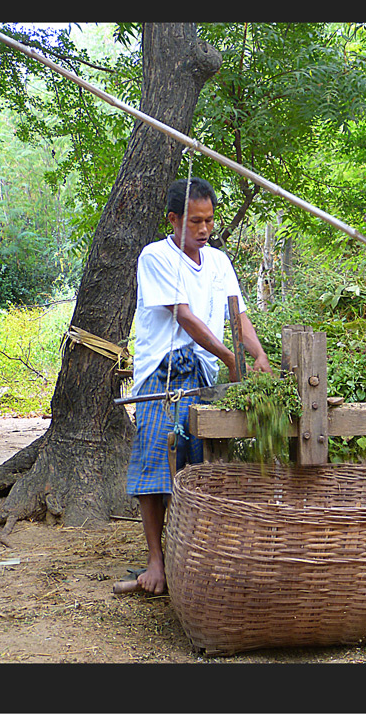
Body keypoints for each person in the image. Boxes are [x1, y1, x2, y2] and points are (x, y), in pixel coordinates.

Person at [127, 177, 272, 594]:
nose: (204, 229)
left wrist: (257, 356)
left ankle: (195, 552)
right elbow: (185, 317)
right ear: (174, 220)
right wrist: (232, 359)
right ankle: (155, 562)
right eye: (195, 221)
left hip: (204, 378)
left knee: (200, 465)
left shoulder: (219, 262)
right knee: (157, 464)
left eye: (208, 220)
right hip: (164, 374)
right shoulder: (154, 257)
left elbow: (238, 316)